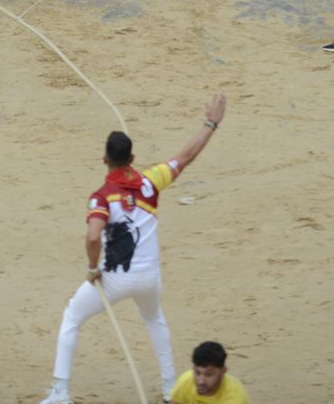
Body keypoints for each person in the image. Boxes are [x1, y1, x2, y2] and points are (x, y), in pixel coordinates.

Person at [36, 94, 228, 404]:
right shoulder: (151, 182)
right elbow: (186, 156)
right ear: (132, 157)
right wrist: (211, 123)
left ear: (104, 160)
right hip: (149, 278)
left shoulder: (101, 197)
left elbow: (93, 237)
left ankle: (60, 392)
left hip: (115, 278)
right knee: (154, 321)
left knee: (72, 317)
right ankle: (169, 390)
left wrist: (91, 267)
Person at [167, 341, 250, 404]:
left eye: (209, 374)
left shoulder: (234, 398)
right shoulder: (186, 381)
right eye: (197, 372)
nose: (200, 381)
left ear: (223, 372)